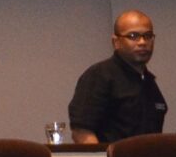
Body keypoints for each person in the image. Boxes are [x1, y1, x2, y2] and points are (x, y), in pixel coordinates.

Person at [67, 10, 167, 143]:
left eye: (147, 36)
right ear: (116, 42)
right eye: (133, 36)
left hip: (148, 156)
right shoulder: (100, 75)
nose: (142, 42)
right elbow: (82, 132)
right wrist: (102, 156)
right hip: (112, 156)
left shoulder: (149, 82)